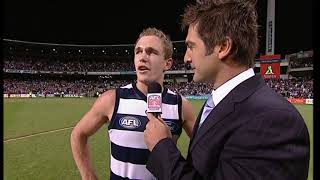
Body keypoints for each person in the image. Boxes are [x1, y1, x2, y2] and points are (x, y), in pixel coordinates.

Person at [144, 0, 310, 179]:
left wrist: (162, 147)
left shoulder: (274, 120)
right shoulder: (217, 101)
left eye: (191, 46)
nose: (186, 58)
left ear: (223, 47)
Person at [70, 27, 196, 180]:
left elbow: (205, 151)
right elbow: (78, 134)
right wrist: (88, 176)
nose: (142, 57)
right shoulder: (112, 99)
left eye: (151, 52)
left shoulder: (181, 105)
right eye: (138, 51)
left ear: (167, 63)